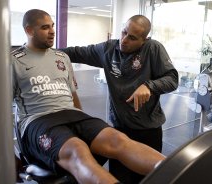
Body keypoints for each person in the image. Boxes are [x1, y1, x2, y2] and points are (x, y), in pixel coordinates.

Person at [11, 9, 166, 184]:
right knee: (78, 149)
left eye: (52, 26)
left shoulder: (61, 57)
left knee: (118, 139)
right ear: (29, 30)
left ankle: (181, 171)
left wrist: (83, 121)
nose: (53, 31)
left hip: (73, 114)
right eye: (45, 27)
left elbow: (72, 94)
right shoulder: (13, 61)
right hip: (39, 119)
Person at [60, 15, 179, 183]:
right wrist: (41, 51)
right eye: (124, 32)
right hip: (118, 128)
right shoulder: (108, 49)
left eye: (132, 38)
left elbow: (172, 79)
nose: (124, 40)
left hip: (147, 130)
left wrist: (149, 86)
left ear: (144, 40)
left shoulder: (153, 48)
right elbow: (75, 52)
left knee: (148, 179)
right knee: (119, 177)